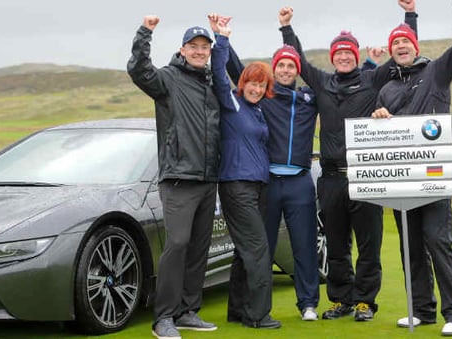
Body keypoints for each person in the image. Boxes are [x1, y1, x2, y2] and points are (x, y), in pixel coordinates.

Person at [278, 0, 418, 322]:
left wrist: (409, 16)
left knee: (369, 245)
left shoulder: (372, 79)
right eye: (339, 53)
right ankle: (341, 299)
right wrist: (286, 28)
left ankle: (365, 302)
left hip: (365, 176)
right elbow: (297, 59)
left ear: (356, 56)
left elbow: (403, 51)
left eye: (349, 53)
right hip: (330, 179)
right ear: (333, 57)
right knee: (337, 245)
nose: (343, 56)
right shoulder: (322, 82)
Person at [371, 0, 452, 335]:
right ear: (392, 51)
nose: (400, 46)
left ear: (415, 47)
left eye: (405, 42)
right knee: (410, 247)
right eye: (395, 43)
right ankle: (422, 309)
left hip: (433, 176)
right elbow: (381, 136)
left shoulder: (438, 71)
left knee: (437, 241)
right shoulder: (386, 89)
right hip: (403, 182)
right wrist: (379, 117)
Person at [215, 16, 322, 322]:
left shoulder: (309, 100)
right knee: (261, 247)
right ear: (275, 70)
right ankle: (250, 307)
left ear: (297, 70)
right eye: (282, 65)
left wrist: (369, 67)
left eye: (291, 66)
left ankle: (308, 304)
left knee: (304, 244)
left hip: (300, 181)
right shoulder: (264, 96)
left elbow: (340, 88)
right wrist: (223, 38)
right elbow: (239, 72)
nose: (286, 70)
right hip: (268, 183)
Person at [127, 15, 221, 339]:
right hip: (179, 179)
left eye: (204, 47)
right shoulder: (167, 78)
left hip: (208, 179)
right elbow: (138, 70)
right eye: (193, 46)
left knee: (198, 248)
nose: (198, 51)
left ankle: (187, 311)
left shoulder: (212, 83)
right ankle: (163, 318)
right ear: (182, 49)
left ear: (210, 51)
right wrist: (145, 33)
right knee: (178, 244)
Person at [208, 14, 282, 330]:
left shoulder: (257, 110)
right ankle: (257, 315)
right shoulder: (233, 103)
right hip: (237, 185)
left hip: (258, 185)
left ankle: (238, 310)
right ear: (244, 83)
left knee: (244, 250)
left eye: (261, 84)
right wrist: (221, 38)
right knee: (258, 248)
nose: (255, 87)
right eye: (251, 82)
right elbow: (219, 72)